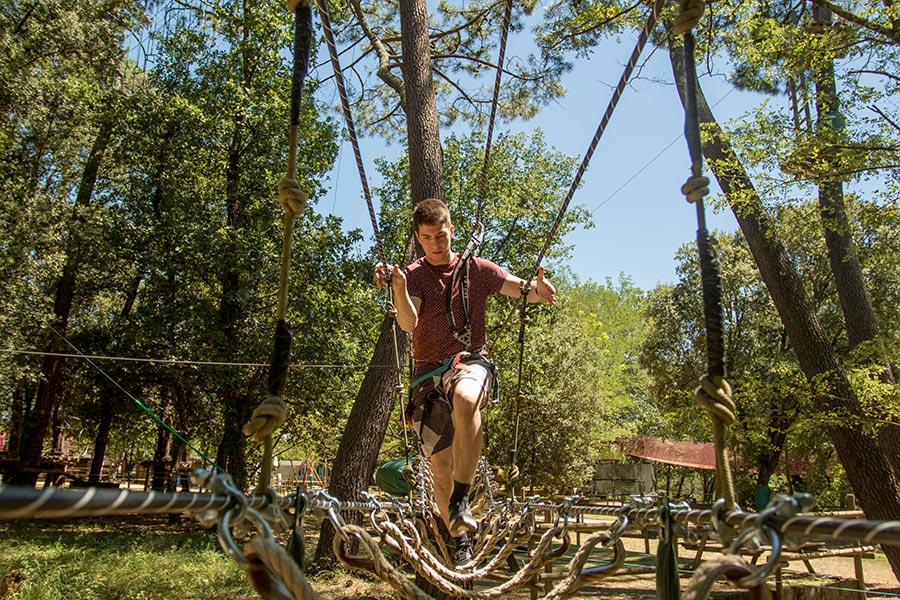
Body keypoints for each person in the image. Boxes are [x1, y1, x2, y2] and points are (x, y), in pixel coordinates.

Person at [375, 198, 556, 565]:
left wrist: (541, 289)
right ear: (418, 237)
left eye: (441, 235)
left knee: (466, 396)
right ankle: (460, 538)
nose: (436, 244)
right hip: (427, 374)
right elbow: (408, 323)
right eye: (427, 238)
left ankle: (461, 495)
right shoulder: (412, 275)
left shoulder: (477, 269)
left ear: (452, 231)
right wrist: (396, 287)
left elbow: (523, 290)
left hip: (470, 361)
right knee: (439, 473)